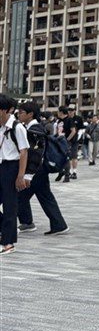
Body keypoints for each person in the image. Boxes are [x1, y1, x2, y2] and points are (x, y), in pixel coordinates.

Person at [15, 100, 68, 236]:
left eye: (21, 112)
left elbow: (35, 153)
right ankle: (56, 224)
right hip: (38, 170)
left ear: (30, 114)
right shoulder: (33, 128)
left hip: (36, 170)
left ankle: (31, 223)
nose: (18, 115)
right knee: (38, 196)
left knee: (26, 195)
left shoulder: (34, 129)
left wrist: (28, 174)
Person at [0, 94, 30, 255]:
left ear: (5, 110)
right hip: (1, 166)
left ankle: (8, 242)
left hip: (12, 167)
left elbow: (24, 152)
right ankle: (6, 230)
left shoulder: (17, 127)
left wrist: (21, 175)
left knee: (10, 206)